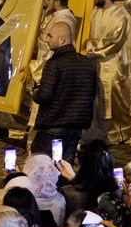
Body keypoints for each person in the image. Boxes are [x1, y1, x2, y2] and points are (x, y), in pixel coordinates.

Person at [30, 19, 97, 158]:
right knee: (65, 165)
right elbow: (92, 93)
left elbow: (45, 95)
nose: (46, 39)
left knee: (44, 163)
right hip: (77, 125)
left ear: (61, 40)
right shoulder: (86, 63)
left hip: (55, 124)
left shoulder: (54, 64)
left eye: (50, 36)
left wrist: (34, 92)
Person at [86, 0, 131, 145]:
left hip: (111, 63)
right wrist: (89, 47)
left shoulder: (120, 16)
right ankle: (98, 132)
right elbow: (90, 35)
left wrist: (96, 51)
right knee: (97, 99)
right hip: (95, 63)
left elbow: (115, 42)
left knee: (113, 99)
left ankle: (117, 132)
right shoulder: (95, 12)